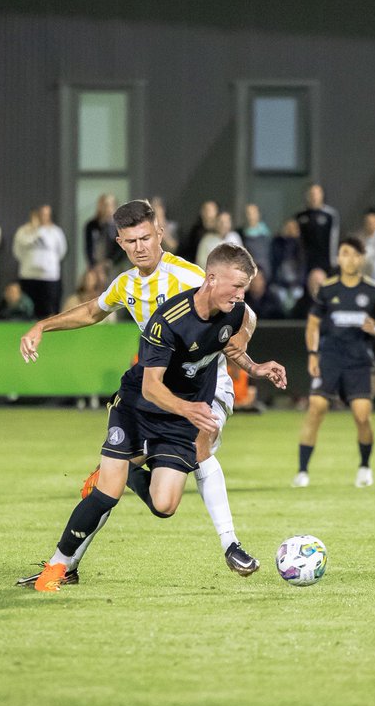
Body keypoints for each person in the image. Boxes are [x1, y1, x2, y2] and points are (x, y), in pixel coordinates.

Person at [16, 200, 263, 581]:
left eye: (146, 237)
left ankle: (230, 543)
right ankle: (65, 566)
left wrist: (239, 344)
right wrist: (42, 326)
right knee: (110, 486)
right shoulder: (126, 284)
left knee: (198, 448)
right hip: (155, 390)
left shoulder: (192, 277)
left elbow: (245, 312)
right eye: (131, 241)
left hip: (206, 386)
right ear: (120, 243)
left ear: (160, 234)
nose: (140, 247)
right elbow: (92, 312)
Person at [294, 236, 375, 488]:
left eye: (354, 254)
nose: (349, 258)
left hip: (358, 361)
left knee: (362, 416)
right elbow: (313, 324)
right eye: (344, 253)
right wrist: (313, 354)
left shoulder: (374, 291)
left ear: (362, 258)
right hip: (330, 359)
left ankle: (365, 467)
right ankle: (302, 472)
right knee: (316, 408)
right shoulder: (327, 290)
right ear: (338, 257)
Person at [12, 204, 68, 318]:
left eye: (46, 214)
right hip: (28, 276)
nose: (43, 217)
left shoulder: (56, 232)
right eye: (41, 214)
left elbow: (62, 251)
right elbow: (17, 251)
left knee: (48, 310)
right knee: (28, 310)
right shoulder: (23, 231)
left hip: (49, 277)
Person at [296, 183, 340, 275]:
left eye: (316, 194)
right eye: (311, 194)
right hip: (306, 263)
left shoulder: (330, 215)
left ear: (322, 196)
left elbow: (334, 239)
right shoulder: (300, 216)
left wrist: (333, 261)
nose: (314, 197)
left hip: (325, 262)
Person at [240, 203, 273, 281]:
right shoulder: (241, 233)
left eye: (253, 213)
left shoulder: (265, 234)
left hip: (263, 274)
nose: (250, 217)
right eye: (248, 213)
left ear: (258, 214)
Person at [84, 193, 119, 267]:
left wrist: (110, 261)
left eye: (111, 205)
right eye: (105, 205)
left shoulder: (119, 225)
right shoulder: (91, 225)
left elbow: (122, 249)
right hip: (96, 266)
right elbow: (89, 247)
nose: (108, 208)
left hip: (114, 266)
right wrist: (92, 265)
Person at [182, 200, 218, 264]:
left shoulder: (219, 232)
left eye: (211, 210)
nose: (208, 213)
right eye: (206, 210)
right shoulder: (195, 232)